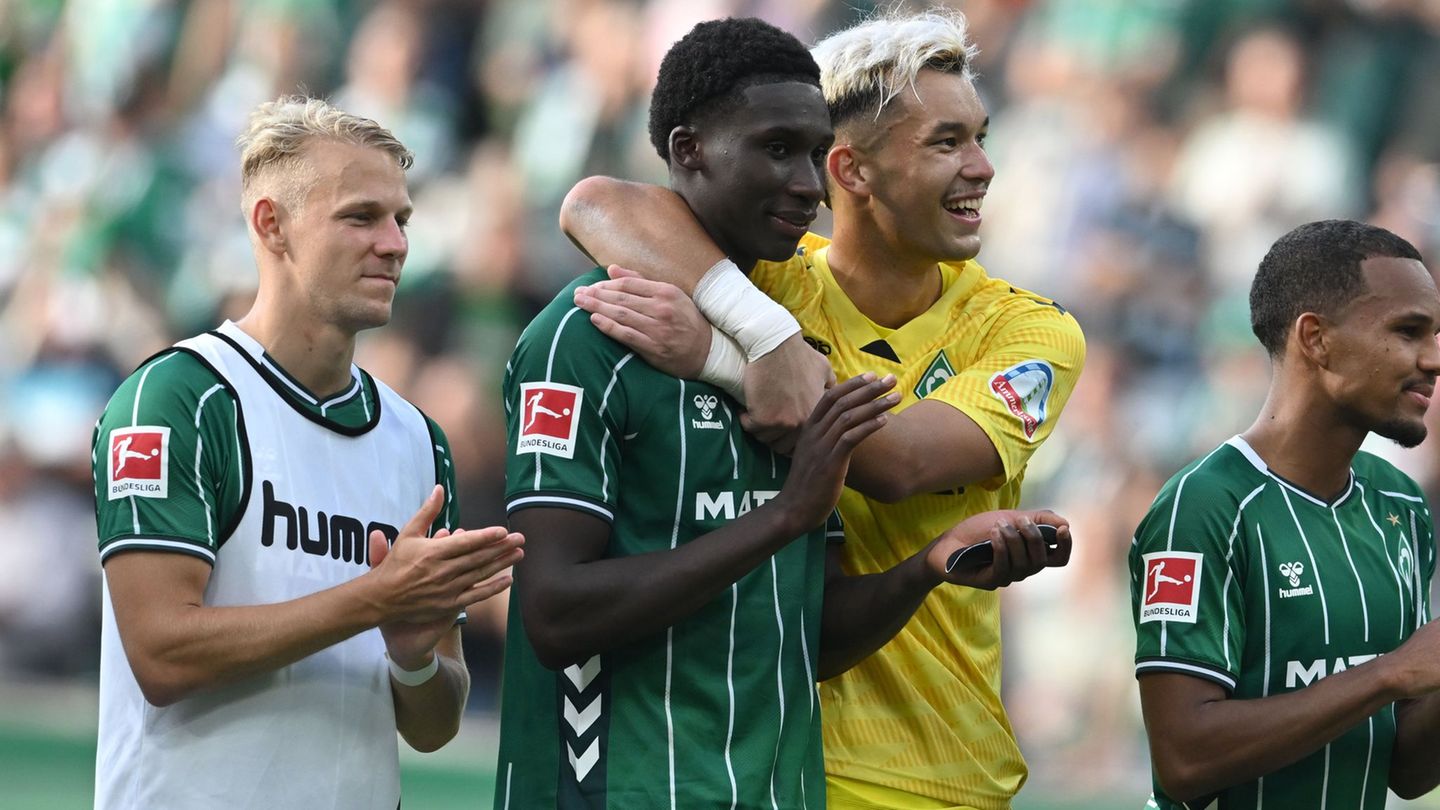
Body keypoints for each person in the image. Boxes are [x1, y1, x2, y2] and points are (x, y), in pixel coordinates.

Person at [495, 17, 1071, 809]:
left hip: (940, 773)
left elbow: (898, 464)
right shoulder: (768, 281)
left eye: (980, 136)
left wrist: (720, 359)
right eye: (947, 142)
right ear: (854, 172)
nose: (983, 167)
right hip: (784, 766)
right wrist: (760, 342)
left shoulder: (1030, 331)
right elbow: (598, 203)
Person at [92, 96, 524, 810]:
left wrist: (414, 656)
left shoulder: (418, 439)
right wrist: (375, 599)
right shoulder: (180, 398)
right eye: (361, 217)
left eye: (401, 220)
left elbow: (434, 724)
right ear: (272, 225)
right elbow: (161, 652)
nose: (394, 243)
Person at [1130, 219, 1440, 808]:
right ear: (1315, 338)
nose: (1433, 359)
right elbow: (1184, 760)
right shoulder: (1204, 507)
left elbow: (1403, 769)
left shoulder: (1401, 504)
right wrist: (1390, 674)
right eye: (1409, 331)